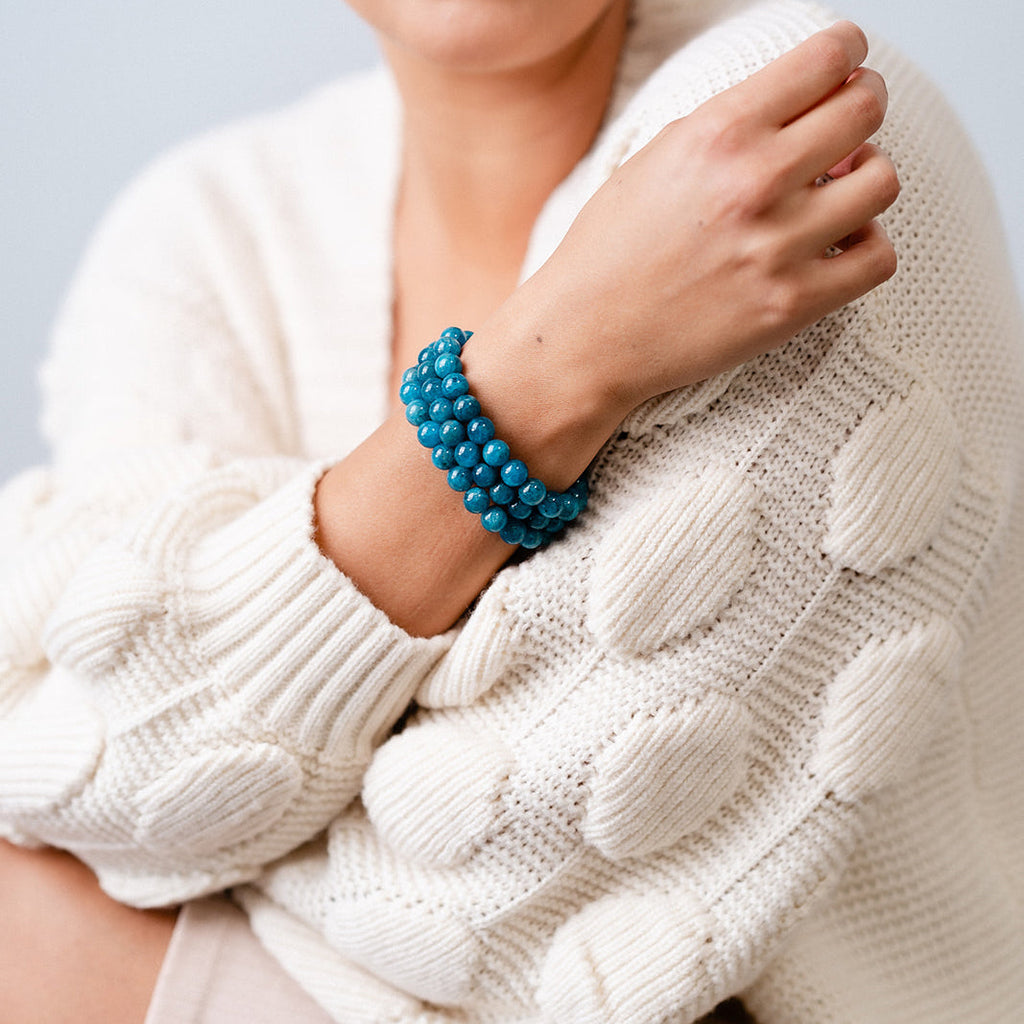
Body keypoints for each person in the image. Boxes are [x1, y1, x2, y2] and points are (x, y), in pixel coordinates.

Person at [0, 0, 1021, 1021]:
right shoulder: (207, 228)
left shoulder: (791, 129)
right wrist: (557, 357)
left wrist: (194, 817)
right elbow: (87, 760)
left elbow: (530, 908)